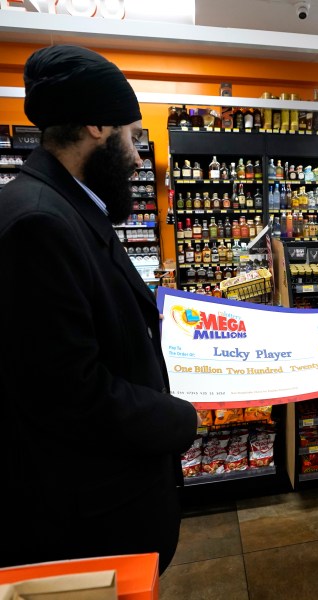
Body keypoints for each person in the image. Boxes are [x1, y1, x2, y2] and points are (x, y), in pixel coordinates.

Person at [0, 45, 198, 574]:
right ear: (95, 126)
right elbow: (67, 394)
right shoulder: (38, 224)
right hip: (86, 522)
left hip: (103, 503)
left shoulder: (63, 205)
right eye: (132, 136)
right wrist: (179, 415)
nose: (138, 157)